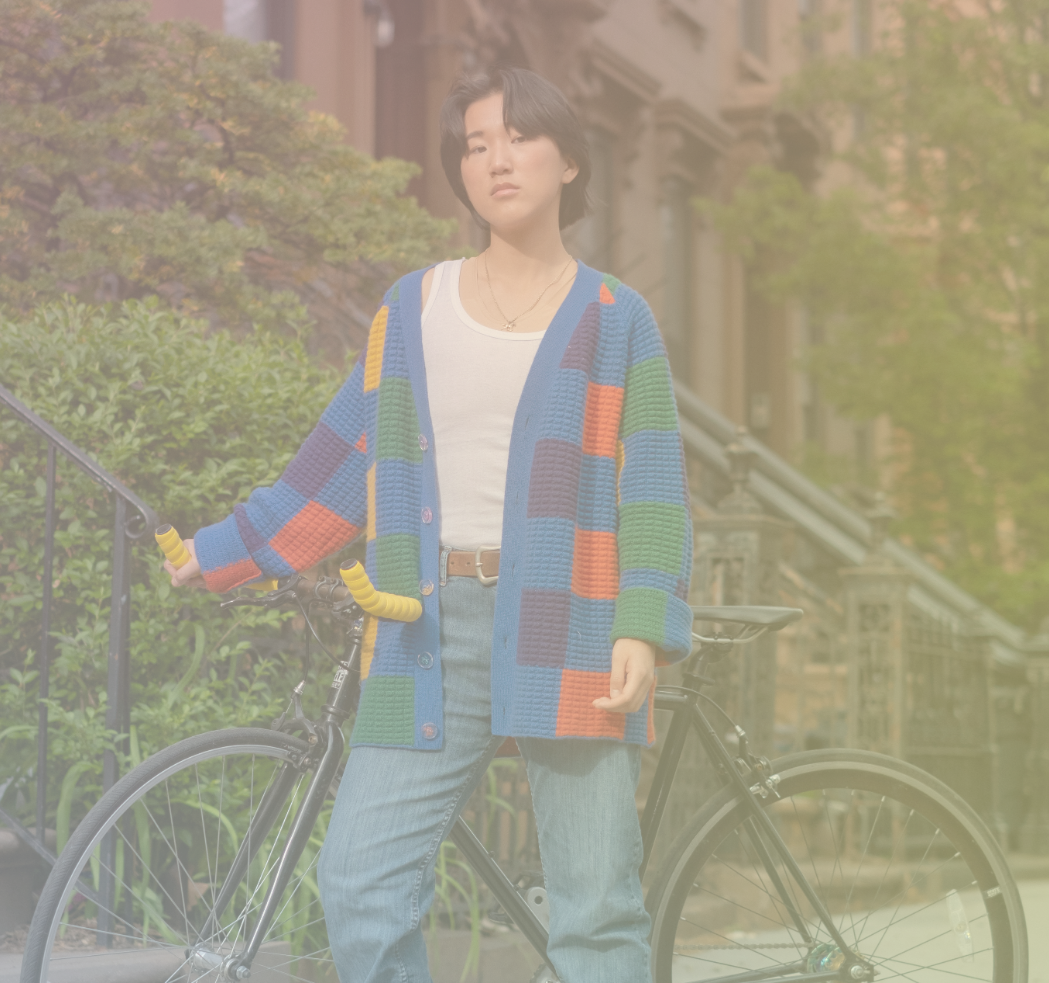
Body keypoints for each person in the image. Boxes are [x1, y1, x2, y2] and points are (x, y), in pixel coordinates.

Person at [165, 66, 693, 983]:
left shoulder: (617, 317)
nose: (496, 159)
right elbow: (340, 462)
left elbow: (649, 484)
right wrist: (221, 552)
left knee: (597, 910)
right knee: (360, 882)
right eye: (475, 144)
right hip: (427, 626)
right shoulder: (413, 307)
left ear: (569, 159)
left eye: (519, 138)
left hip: (569, 624)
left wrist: (644, 623)